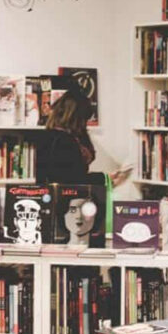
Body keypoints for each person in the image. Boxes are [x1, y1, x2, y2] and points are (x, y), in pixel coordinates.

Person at [35, 86, 130, 233]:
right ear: (76, 117)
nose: (86, 123)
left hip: (58, 202)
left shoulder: (54, 137)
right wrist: (104, 178)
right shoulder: (64, 141)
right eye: (85, 119)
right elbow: (70, 180)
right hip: (67, 206)